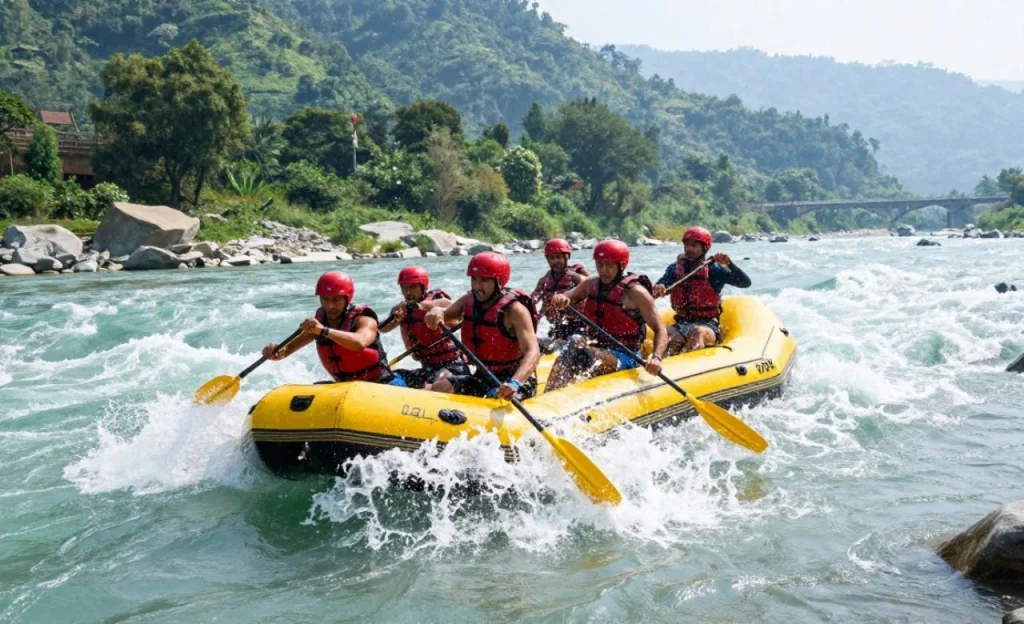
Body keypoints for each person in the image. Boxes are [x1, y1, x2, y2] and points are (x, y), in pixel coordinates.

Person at [546, 239, 667, 391]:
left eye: (609, 265)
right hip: (596, 346)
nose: (603, 270)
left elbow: (660, 329)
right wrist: (560, 298)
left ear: (621, 264)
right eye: (599, 264)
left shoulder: (636, 293)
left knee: (584, 356)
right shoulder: (591, 283)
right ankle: (549, 397)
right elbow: (568, 295)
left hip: (627, 355)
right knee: (568, 352)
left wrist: (656, 358)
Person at [424, 252, 541, 400]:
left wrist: (515, 382)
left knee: (494, 398)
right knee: (440, 387)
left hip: (513, 380)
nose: (477, 286)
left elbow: (533, 352)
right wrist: (436, 311)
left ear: (499, 281)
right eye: (474, 279)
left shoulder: (515, 311)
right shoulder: (468, 300)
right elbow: (445, 314)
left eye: (484, 280)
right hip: (483, 376)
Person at [262, 271, 403, 385]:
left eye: (336, 299)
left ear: (347, 298)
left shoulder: (364, 320)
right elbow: (287, 350)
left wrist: (324, 331)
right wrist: (276, 351)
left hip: (380, 383)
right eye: (325, 299)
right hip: (344, 387)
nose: (330, 306)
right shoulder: (319, 322)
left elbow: (359, 343)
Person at [652, 226, 752, 354]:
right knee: (668, 336)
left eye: (694, 245)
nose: (689, 249)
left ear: (705, 247)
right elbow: (663, 283)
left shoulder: (715, 270)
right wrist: (660, 286)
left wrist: (730, 264)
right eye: (687, 245)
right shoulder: (674, 269)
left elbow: (745, 283)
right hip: (681, 323)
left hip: (708, 325)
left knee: (697, 332)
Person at [379, 265, 469, 388]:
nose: (408, 292)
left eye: (413, 287)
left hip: (453, 366)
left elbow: (451, 306)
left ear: (423, 286)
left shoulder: (437, 299)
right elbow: (383, 329)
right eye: (404, 288)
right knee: (390, 378)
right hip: (427, 368)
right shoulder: (401, 309)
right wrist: (395, 319)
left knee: (435, 385)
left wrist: (417, 306)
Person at [531, 238, 590, 352]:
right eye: (551, 258)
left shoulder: (577, 273)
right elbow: (533, 299)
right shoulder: (544, 280)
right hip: (557, 327)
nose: (555, 261)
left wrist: (575, 277)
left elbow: (590, 285)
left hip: (580, 326)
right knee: (540, 344)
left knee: (569, 342)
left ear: (567, 257)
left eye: (558, 257)